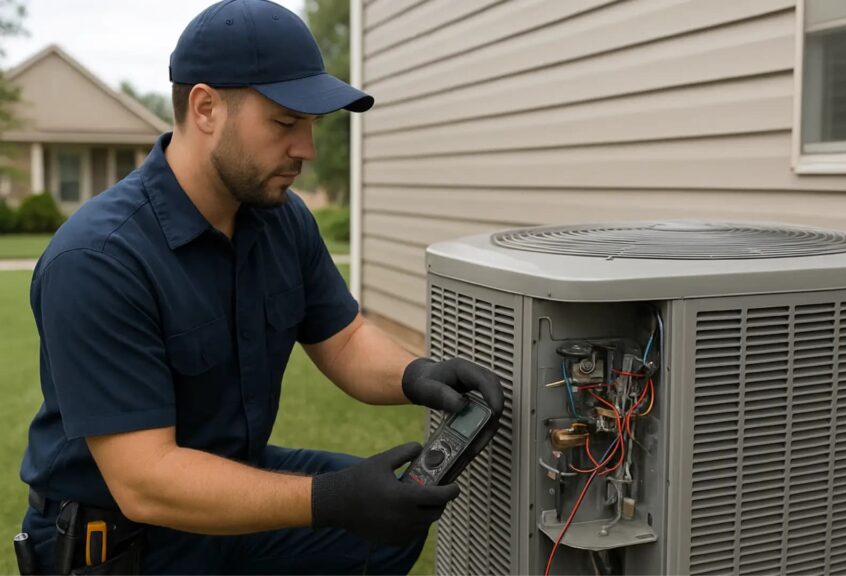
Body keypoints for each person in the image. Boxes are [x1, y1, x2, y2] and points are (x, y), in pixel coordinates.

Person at [17, 1, 505, 574]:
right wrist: (330, 499)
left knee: (389, 527)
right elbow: (145, 480)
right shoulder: (98, 259)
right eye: (284, 123)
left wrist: (417, 375)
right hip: (123, 539)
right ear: (205, 108)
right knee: (352, 509)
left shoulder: (281, 219)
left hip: (226, 475)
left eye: (312, 127)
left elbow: (342, 340)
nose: (307, 150)